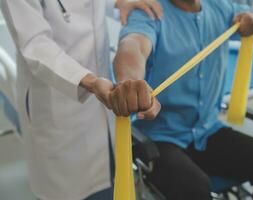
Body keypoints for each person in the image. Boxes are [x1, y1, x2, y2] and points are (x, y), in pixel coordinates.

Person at [112, 0, 253, 199]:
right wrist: (130, 82)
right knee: (193, 189)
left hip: (207, 132)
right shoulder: (151, 12)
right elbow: (133, 46)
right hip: (161, 139)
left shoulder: (220, 7)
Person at [0, 0, 162, 200]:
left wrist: (118, 3)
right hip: (58, 103)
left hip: (103, 102)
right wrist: (90, 82)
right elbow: (35, 45)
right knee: (74, 190)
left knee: (113, 181)